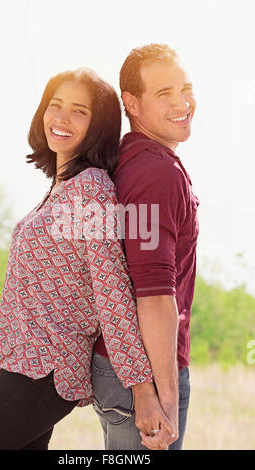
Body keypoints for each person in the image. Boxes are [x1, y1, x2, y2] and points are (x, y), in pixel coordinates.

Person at [0, 68, 156, 450]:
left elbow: (111, 292)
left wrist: (141, 388)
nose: (61, 118)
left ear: (99, 126)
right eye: (55, 105)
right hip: (27, 364)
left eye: (79, 111)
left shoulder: (91, 189)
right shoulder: (61, 188)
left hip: (47, 370)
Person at [92, 43, 200, 450]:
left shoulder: (128, 159)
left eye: (185, 88)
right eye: (164, 93)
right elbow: (153, 295)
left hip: (120, 368)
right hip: (145, 376)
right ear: (131, 103)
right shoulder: (156, 174)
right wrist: (164, 397)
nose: (182, 102)